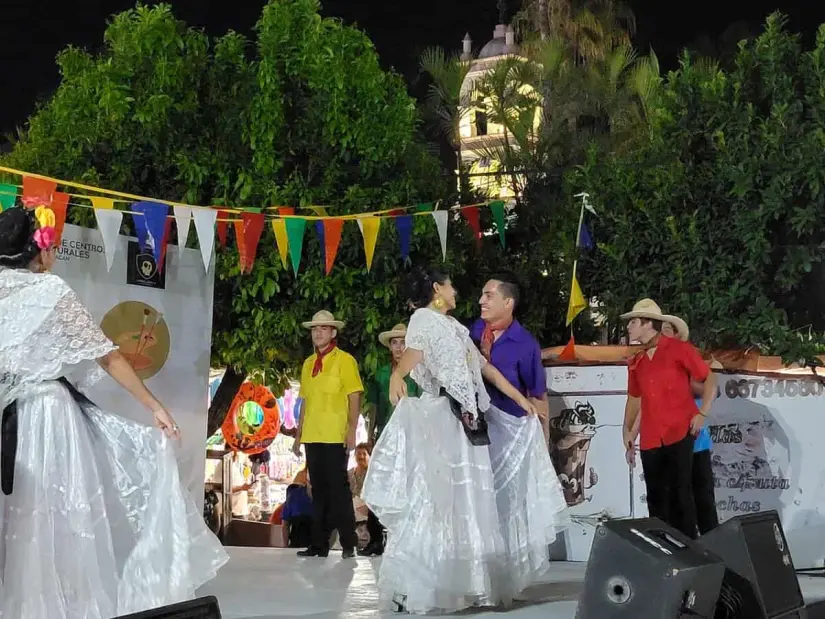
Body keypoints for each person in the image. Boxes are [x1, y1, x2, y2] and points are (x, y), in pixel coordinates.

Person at [0, 206, 227, 618]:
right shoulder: (49, 291)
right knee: (61, 524)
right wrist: (154, 405)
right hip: (48, 418)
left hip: (9, 418)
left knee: (19, 526)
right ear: (39, 249)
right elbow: (108, 356)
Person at [363, 266, 541, 615]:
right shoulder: (422, 320)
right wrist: (397, 374)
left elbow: (484, 368)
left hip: (468, 419)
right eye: (451, 285)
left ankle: (471, 583)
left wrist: (522, 400)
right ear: (436, 289)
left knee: (469, 500)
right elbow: (415, 352)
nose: (457, 291)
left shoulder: (456, 327)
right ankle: (423, 582)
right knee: (437, 499)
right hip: (443, 415)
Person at [471, 274, 570, 596]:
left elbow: (537, 397)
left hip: (510, 437)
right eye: (482, 296)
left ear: (508, 302)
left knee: (506, 507)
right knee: (476, 502)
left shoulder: (525, 344)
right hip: (473, 433)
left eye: (488, 295)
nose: (482, 301)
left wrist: (542, 443)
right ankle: (477, 576)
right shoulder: (472, 333)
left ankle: (506, 580)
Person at [621, 299, 717, 538]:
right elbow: (636, 398)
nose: (628, 327)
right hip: (653, 436)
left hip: (679, 429)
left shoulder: (678, 349)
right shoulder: (638, 362)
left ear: (647, 324)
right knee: (655, 496)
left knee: (682, 494)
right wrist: (628, 433)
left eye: (633, 322)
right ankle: (665, 551)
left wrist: (702, 412)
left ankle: (690, 552)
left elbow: (709, 378)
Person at [292, 310, 363, 559]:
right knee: (317, 490)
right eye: (314, 329)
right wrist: (298, 435)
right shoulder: (309, 364)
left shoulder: (345, 360)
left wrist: (352, 430)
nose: (318, 333)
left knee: (339, 489)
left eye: (323, 328)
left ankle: (348, 543)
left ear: (333, 332)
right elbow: (305, 403)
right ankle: (319, 544)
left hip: (335, 434)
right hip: (313, 434)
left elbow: (354, 395)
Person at [366, 323, 420, 443]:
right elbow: (373, 407)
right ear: (390, 346)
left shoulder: (418, 373)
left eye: (403, 342)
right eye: (394, 342)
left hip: (412, 436)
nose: (398, 347)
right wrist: (369, 436)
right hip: (385, 434)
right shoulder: (381, 374)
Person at [349, 442, 385, 556]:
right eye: (358, 453)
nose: (361, 457)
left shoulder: (373, 474)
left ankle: (375, 543)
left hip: (368, 506)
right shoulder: (350, 473)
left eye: (364, 454)